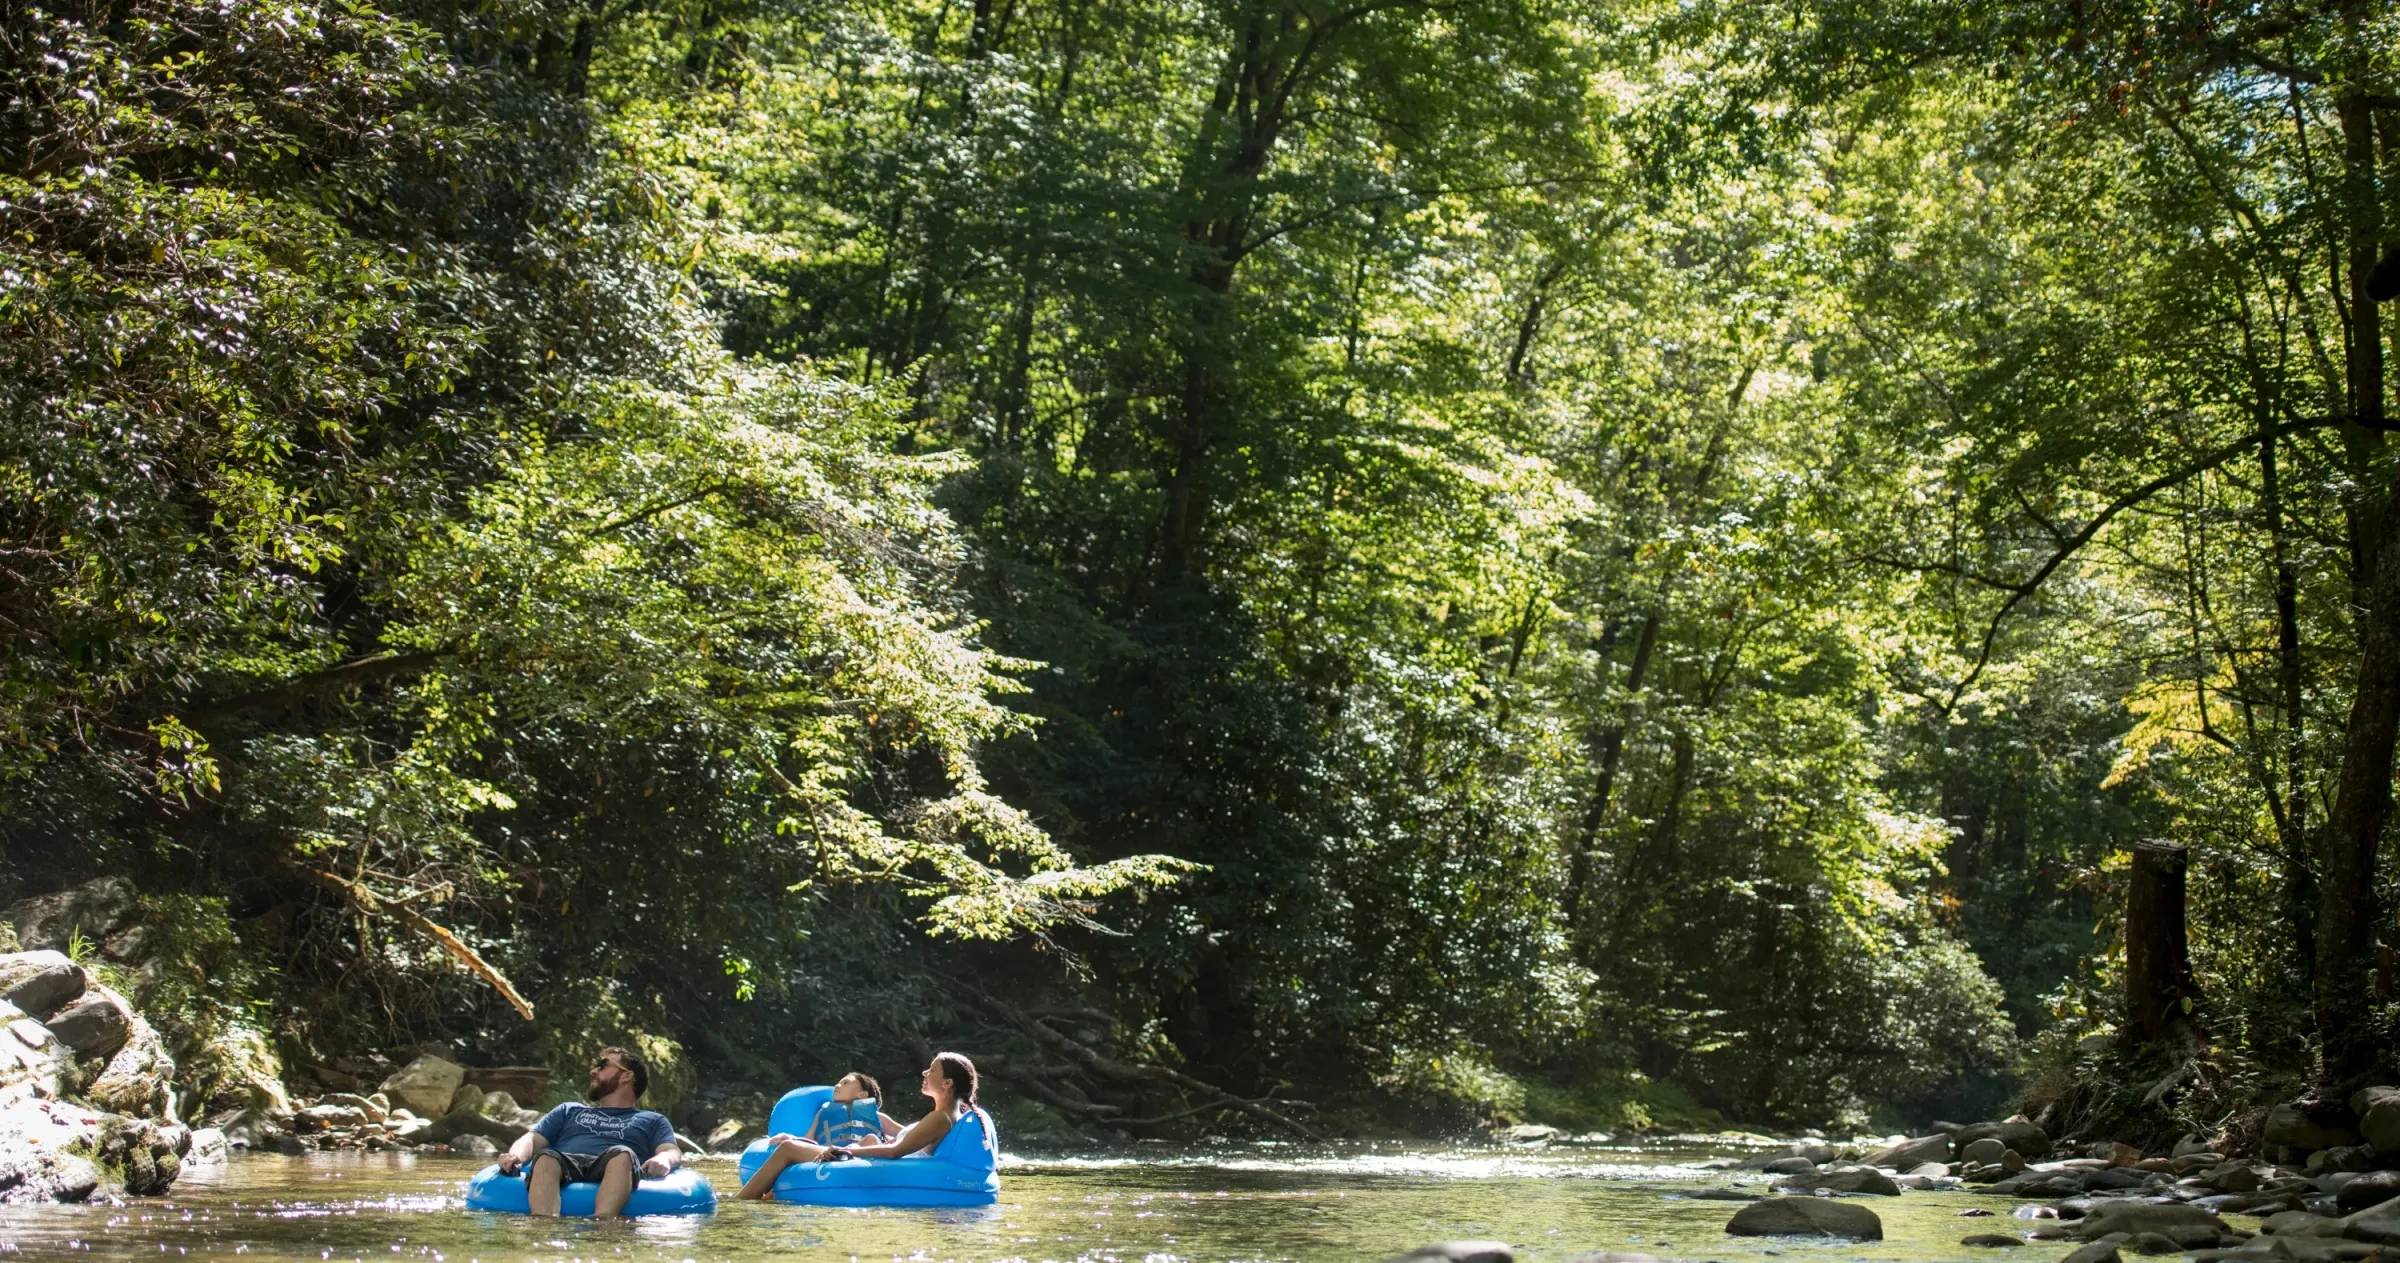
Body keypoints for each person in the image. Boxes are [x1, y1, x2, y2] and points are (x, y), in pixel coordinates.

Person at [496, 1047, 680, 1218]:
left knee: (622, 1154)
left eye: (602, 1066)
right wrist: (514, 1156)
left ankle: (604, 1228)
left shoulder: (653, 1120)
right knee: (546, 1157)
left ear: (626, 1076)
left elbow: (671, 1150)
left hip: (615, 1163)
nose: (593, 1071)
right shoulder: (569, 1110)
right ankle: (544, 1231)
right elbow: (532, 1139)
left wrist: (662, 1159)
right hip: (566, 1163)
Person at [732, 1070, 901, 1201]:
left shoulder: (878, 1117)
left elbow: (907, 1135)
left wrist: (891, 1142)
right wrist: (790, 1138)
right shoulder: (823, 1113)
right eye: (838, 1082)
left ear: (863, 1095)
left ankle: (849, 1152)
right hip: (828, 1153)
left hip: (862, 1155)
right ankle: (741, 1200)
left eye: (845, 1083)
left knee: (870, 1139)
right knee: (787, 1147)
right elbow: (810, 1139)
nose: (837, 1085)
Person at [835, 1051, 984, 1161]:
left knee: (811, 1149)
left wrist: (847, 1151)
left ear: (947, 1083)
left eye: (932, 1070)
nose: (924, 1072)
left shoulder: (940, 1118)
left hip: (891, 1173)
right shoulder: (946, 1116)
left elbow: (894, 1151)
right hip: (877, 1161)